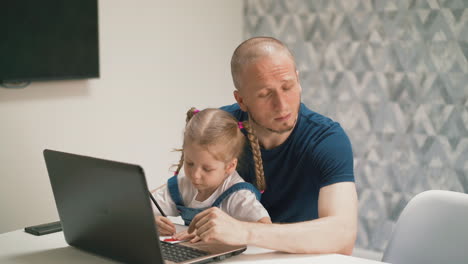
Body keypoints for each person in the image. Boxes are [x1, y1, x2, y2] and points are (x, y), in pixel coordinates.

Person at [187, 37, 358, 254]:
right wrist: (153, 217)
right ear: (241, 100)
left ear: (298, 79)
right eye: (265, 94)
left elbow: (343, 236)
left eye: (288, 87)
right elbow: (184, 188)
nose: (282, 105)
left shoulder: (327, 139)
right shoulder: (222, 128)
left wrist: (245, 232)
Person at [151, 107, 271, 240]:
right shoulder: (183, 184)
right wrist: (151, 221)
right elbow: (140, 207)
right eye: (190, 163)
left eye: (207, 169)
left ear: (230, 166)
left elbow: (266, 229)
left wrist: (218, 232)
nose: (195, 175)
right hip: (195, 253)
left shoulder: (239, 195)